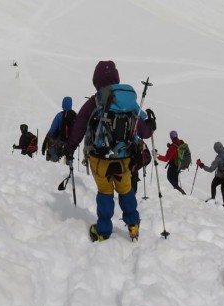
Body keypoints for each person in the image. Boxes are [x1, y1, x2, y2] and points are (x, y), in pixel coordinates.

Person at [66, 60, 155, 242]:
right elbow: (144, 129)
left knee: (105, 193)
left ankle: (103, 230)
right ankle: (133, 225)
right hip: (124, 158)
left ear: (96, 80)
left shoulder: (95, 101)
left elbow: (79, 127)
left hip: (99, 159)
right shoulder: (129, 102)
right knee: (126, 190)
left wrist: (70, 148)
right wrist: (151, 125)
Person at [197, 142, 224, 208]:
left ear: (216, 150)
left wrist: (202, 166)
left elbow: (211, 169)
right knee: (223, 189)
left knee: (213, 184)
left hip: (221, 176)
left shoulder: (218, 158)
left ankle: (213, 198)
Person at [43, 96, 77, 162]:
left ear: (63, 104)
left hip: (60, 141)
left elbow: (52, 130)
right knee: (69, 155)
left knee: (53, 149)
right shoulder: (75, 115)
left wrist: (47, 138)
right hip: (71, 143)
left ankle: (53, 162)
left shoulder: (59, 115)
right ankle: (69, 164)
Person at [156, 130, 189, 194]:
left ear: (171, 137)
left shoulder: (173, 147)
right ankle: (178, 194)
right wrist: (170, 146)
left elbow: (166, 158)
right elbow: (177, 150)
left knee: (170, 178)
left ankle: (180, 191)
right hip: (179, 165)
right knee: (175, 180)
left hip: (173, 166)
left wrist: (157, 156)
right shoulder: (181, 143)